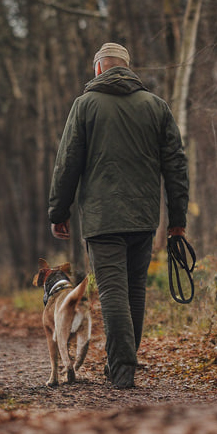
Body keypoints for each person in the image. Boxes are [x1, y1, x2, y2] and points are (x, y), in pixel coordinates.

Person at [48, 42, 189, 389]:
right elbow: (176, 165)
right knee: (134, 290)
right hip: (143, 216)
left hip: (102, 218)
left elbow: (68, 162)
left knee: (112, 292)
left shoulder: (84, 106)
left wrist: (58, 211)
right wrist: (177, 219)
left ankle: (123, 368)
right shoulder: (156, 106)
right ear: (127, 68)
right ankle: (121, 364)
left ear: (98, 69)